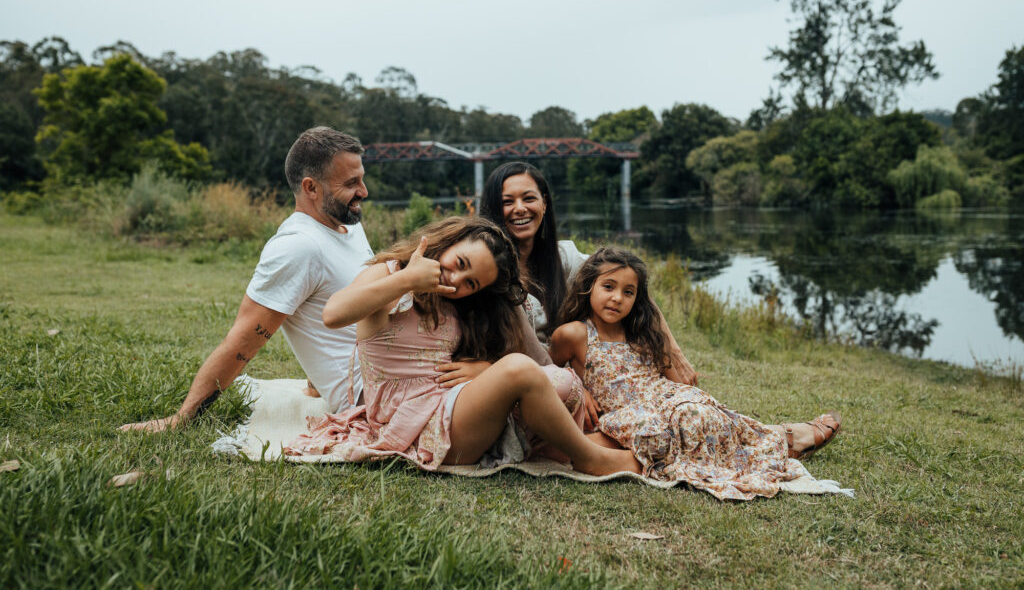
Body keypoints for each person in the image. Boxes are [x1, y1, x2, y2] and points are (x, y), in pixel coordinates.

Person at [285, 216, 641, 476]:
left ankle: (567, 447)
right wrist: (407, 279)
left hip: (452, 405)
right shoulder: (390, 275)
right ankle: (589, 457)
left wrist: (485, 370)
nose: (455, 281)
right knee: (519, 369)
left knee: (554, 380)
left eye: (470, 283)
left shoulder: (456, 303)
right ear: (448, 241)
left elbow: (523, 359)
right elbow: (334, 314)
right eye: (459, 264)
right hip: (410, 421)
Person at [119, 127, 373, 432]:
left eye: (361, 178)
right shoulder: (299, 247)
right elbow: (240, 343)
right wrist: (181, 419)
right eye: (351, 183)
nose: (364, 191)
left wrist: (317, 379)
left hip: (400, 364)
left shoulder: (348, 224)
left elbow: (330, 300)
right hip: (375, 392)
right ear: (311, 188)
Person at [549, 247, 841, 501]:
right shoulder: (574, 334)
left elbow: (672, 379)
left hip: (663, 397)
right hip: (627, 412)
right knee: (658, 430)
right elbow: (551, 370)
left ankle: (775, 441)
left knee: (696, 412)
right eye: (608, 287)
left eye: (628, 292)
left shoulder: (639, 331)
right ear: (589, 286)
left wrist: (691, 393)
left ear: (637, 298)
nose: (617, 299)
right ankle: (784, 438)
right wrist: (581, 387)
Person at [478, 161, 698, 386]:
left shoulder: (565, 258)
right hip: (522, 380)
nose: (520, 208)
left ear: (544, 204)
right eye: (507, 202)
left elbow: (634, 291)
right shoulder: (483, 268)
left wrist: (675, 353)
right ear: (494, 209)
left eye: (529, 198)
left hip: (574, 372)